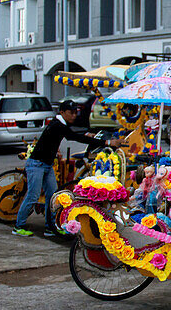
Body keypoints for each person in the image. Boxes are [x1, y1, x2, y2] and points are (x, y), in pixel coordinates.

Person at [13, 99, 120, 237]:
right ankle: (18, 226)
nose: (74, 115)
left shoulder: (59, 124)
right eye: (71, 112)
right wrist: (107, 142)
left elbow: (66, 136)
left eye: (76, 112)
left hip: (47, 164)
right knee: (33, 196)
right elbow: (73, 136)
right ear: (62, 112)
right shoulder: (58, 125)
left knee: (53, 197)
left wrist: (87, 136)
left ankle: (50, 227)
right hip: (37, 164)